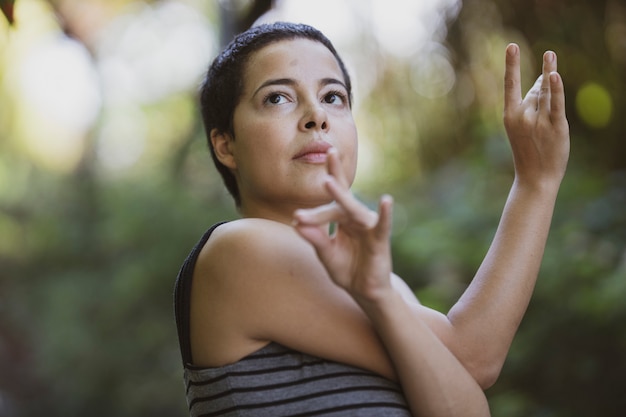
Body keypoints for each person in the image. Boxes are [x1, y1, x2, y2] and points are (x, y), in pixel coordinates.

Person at [174, 21, 569, 417]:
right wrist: (535, 182)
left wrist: (381, 296)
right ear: (225, 145)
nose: (316, 116)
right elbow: (472, 355)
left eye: (333, 96)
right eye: (278, 98)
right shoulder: (239, 250)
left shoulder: (385, 287)